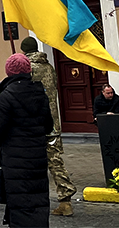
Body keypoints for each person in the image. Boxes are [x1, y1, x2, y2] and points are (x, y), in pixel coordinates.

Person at [0, 53, 52, 228]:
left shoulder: (6, 96)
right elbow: (48, 126)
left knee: (20, 205)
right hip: (38, 159)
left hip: (15, 161)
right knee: (39, 200)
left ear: (9, 73)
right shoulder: (41, 93)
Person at [20, 36, 77, 216]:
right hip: (53, 123)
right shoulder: (49, 67)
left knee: (31, 162)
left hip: (35, 124)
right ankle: (65, 199)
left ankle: (32, 199)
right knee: (55, 161)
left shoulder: (28, 69)